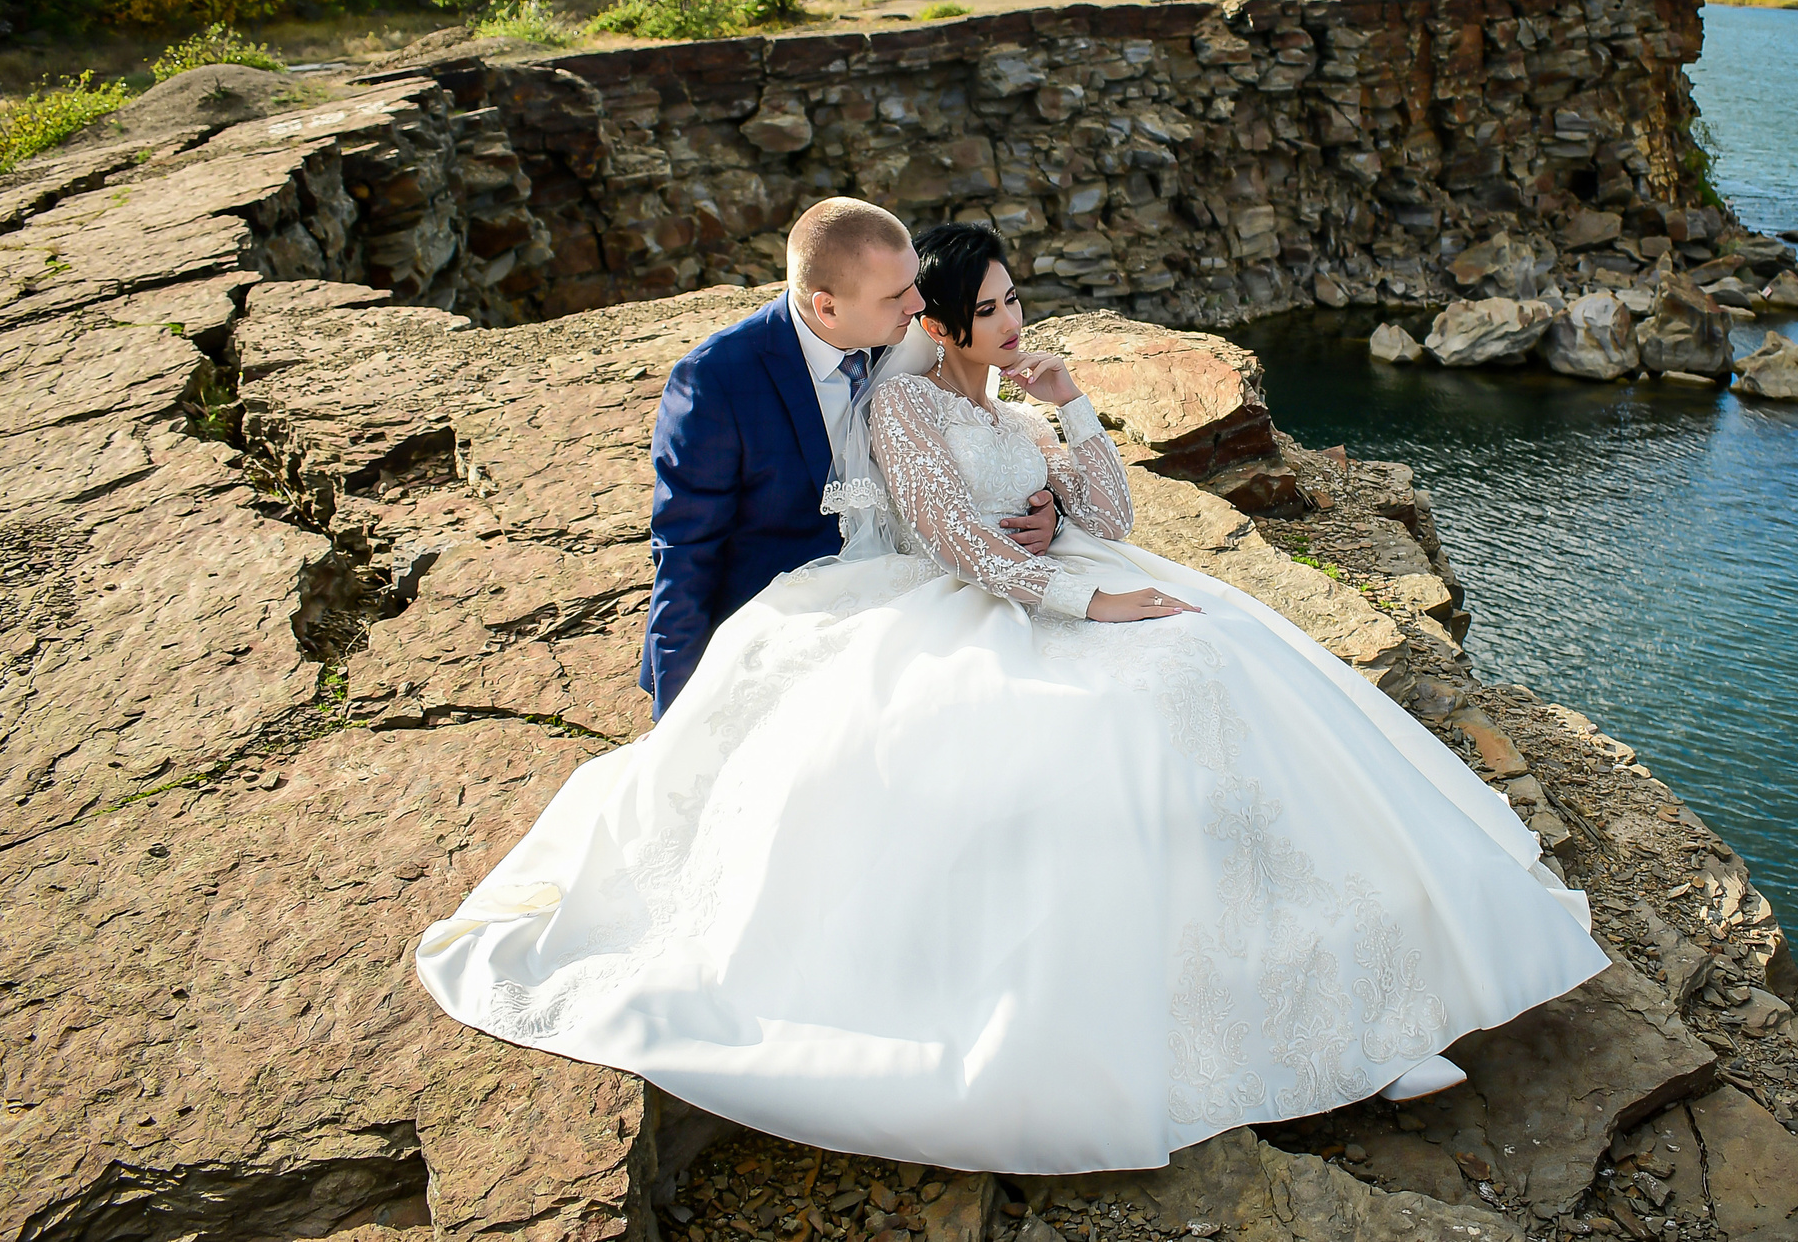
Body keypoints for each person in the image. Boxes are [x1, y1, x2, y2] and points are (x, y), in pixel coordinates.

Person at [417, 221, 1609, 1176]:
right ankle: (1273, 1030)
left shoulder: (994, 388)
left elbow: (1109, 516)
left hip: (1038, 576)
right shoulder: (876, 387)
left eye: (1006, 301)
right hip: (940, 600)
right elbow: (929, 534)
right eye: (976, 307)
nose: (1003, 319)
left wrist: (1070, 406)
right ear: (895, 312)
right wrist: (686, 712)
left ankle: (1359, 991)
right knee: (1129, 722)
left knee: (1224, 667)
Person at [638, 198, 1059, 716]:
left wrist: (1044, 506)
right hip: (790, 624)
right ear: (828, 308)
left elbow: (985, 432)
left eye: (914, 285)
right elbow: (686, 554)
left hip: (917, 593)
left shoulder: (910, 337)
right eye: (897, 295)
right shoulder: (716, 381)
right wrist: (679, 713)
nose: (919, 305)